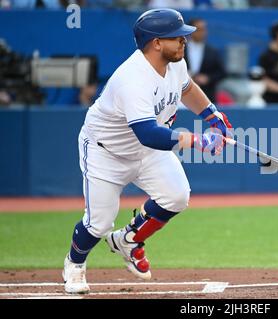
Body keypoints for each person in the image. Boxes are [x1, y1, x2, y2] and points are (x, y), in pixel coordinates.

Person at [62, 8, 233, 294]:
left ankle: (127, 239)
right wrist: (198, 140)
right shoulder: (133, 79)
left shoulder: (175, 62)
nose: (184, 41)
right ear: (156, 43)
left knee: (177, 196)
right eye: (177, 37)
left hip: (146, 151)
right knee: (99, 222)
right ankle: (74, 264)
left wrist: (212, 115)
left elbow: (187, 88)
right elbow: (150, 134)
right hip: (107, 152)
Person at [184, 18, 226, 103]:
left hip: (207, 96)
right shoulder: (181, 49)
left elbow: (221, 72)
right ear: (190, 31)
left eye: (204, 29)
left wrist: (208, 78)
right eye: (198, 30)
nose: (202, 33)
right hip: (183, 95)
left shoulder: (212, 51)